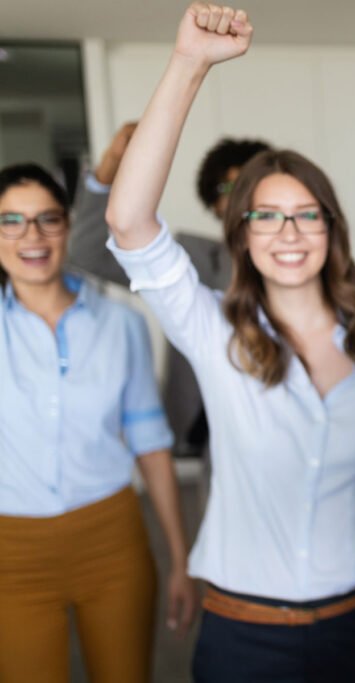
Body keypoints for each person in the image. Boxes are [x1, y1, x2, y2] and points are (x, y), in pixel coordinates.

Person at [104, 5, 355, 681]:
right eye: (267, 216)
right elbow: (129, 220)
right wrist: (189, 63)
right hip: (244, 635)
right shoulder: (213, 326)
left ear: (332, 228)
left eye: (307, 214)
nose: (289, 232)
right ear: (242, 234)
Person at [0, 163, 196, 682]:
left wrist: (179, 558)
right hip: (10, 553)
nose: (32, 237)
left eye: (47, 219)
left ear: (68, 226)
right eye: (11, 221)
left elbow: (151, 445)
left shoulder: (122, 324)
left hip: (113, 540)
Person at [69, 121, 271, 458]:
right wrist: (109, 167)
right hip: (218, 436)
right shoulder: (189, 258)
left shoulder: (306, 256)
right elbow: (89, 251)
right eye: (227, 189)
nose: (239, 198)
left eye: (252, 186)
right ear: (213, 203)